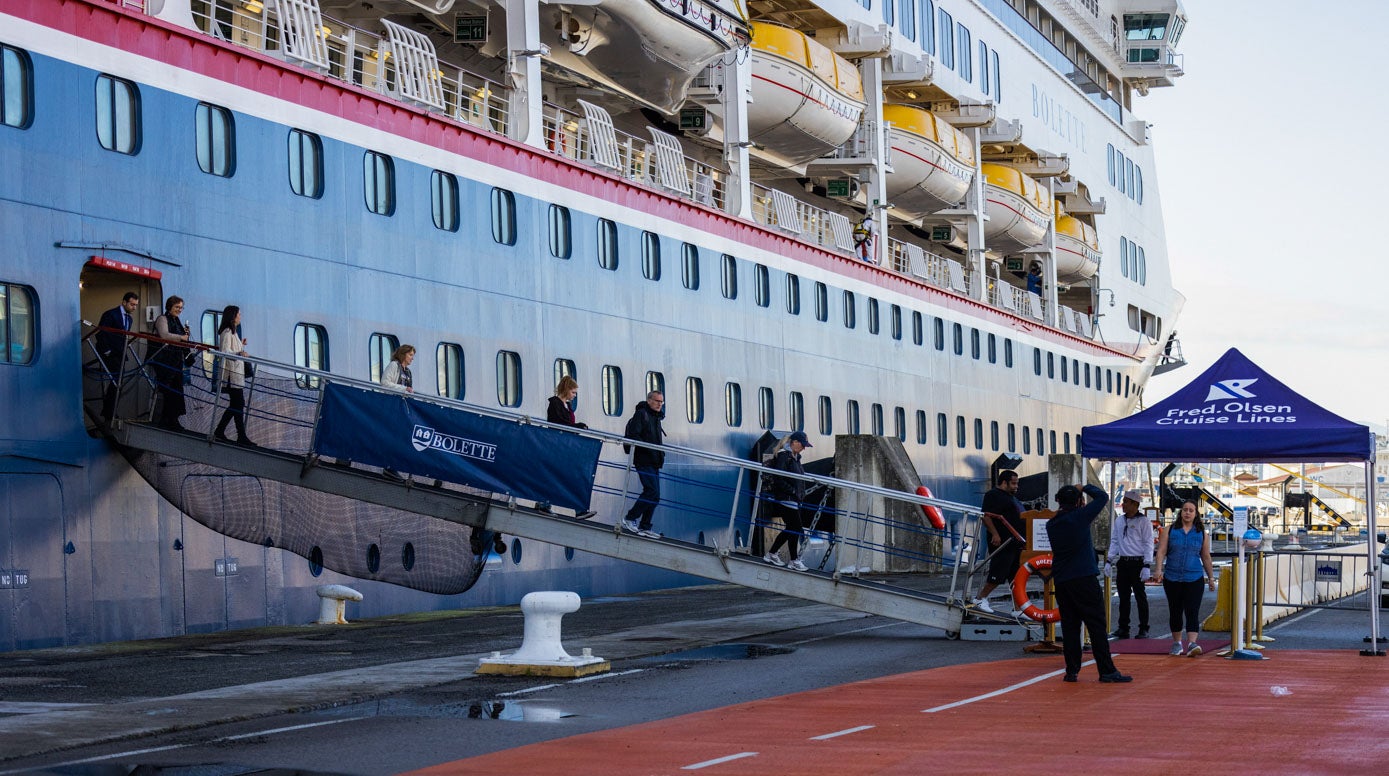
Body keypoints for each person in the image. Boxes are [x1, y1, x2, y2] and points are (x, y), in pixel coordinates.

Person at [1046, 484, 1131, 684]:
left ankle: (1072, 671)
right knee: (1096, 625)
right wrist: (1084, 486)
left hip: (1062, 580)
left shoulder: (1052, 524)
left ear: (1058, 501)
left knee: (1070, 626)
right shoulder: (1080, 517)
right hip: (1084, 578)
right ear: (1078, 501)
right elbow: (1102, 497)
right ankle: (1106, 670)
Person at [1153, 499, 1217, 656]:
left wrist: (1211, 577)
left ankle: (1192, 643)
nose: (1187, 512)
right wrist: (1158, 570)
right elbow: (1161, 551)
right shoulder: (1169, 530)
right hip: (1173, 577)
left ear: (1196, 514)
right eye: (1185, 510)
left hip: (1194, 578)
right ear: (1180, 512)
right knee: (1175, 610)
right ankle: (1177, 643)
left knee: (1192, 611)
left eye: (1191, 510)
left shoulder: (1202, 533)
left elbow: (1206, 556)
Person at [971, 469, 1025, 614]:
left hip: (1015, 543)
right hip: (1003, 542)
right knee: (998, 573)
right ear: (1004, 482)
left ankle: (1018, 609)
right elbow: (986, 515)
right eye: (1013, 484)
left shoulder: (1011, 497)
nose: (1016, 487)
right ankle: (980, 598)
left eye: (1017, 483)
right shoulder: (993, 495)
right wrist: (995, 534)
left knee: (1015, 577)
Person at [1105, 490, 1156, 639]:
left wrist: (1147, 564)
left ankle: (1144, 628)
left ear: (1135, 504)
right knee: (1123, 597)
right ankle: (1123, 627)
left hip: (1138, 562)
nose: (1123, 505)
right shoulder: (1120, 520)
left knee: (1140, 596)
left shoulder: (1144, 521)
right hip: (1124, 562)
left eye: (1126, 502)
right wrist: (1109, 560)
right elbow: (1115, 541)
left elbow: (1148, 543)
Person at [763, 431, 813, 571]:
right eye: (803, 445)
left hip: (793, 499)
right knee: (795, 528)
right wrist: (792, 491)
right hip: (786, 498)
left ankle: (780, 556)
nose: (804, 448)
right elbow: (779, 478)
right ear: (794, 442)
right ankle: (789, 559)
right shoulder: (784, 457)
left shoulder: (795, 457)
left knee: (792, 528)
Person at [621, 391, 665, 539]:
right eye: (657, 401)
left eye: (661, 401)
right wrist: (649, 449)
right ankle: (629, 518)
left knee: (655, 496)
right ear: (649, 400)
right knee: (651, 491)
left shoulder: (656, 417)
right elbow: (634, 435)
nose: (659, 404)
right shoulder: (642, 414)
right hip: (644, 460)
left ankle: (645, 526)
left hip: (654, 461)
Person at [213, 305, 254, 446]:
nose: (240, 316)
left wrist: (240, 346)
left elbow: (231, 349)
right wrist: (239, 353)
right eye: (239, 314)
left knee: (237, 404)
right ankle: (239, 436)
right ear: (233, 316)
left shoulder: (233, 332)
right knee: (238, 404)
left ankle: (223, 431)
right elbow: (225, 351)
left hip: (236, 375)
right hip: (231, 376)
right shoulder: (227, 331)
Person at [96, 291, 140, 421]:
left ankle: (110, 411)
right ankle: (109, 412)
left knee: (118, 382)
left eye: (136, 305)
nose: (134, 308)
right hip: (110, 354)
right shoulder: (111, 314)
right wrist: (107, 351)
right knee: (116, 382)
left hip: (120, 354)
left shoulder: (129, 319)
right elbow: (101, 333)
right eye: (132, 304)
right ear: (124, 302)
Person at [150, 295, 192, 431]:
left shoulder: (177, 320)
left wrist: (185, 338)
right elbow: (164, 335)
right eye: (177, 307)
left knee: (177, 389)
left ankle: (173, 419)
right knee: (167, 389)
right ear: (170, 307)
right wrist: (181, 337)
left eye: (181, 307)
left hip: (175, 360)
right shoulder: (162, 319)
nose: (179, 310)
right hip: (164, 360)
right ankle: (165, 420)